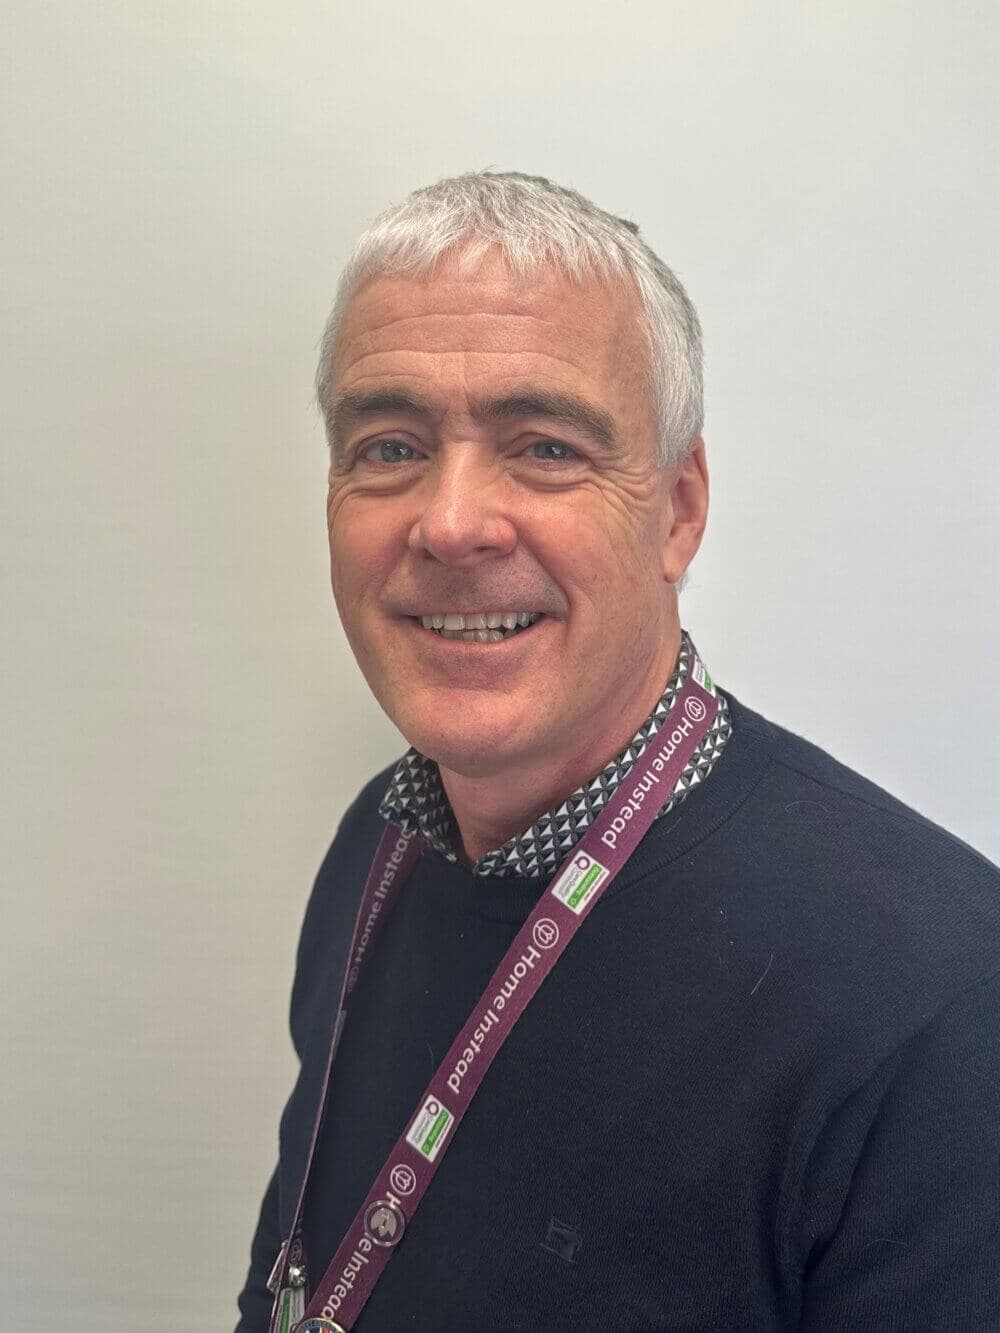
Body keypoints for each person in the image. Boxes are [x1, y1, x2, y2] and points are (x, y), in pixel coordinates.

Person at [236, 172, 1000, 1332]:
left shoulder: (942, 997)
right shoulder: (374, 849)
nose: (449, 523)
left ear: (678, 510)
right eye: (387, 445)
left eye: (544, 447)